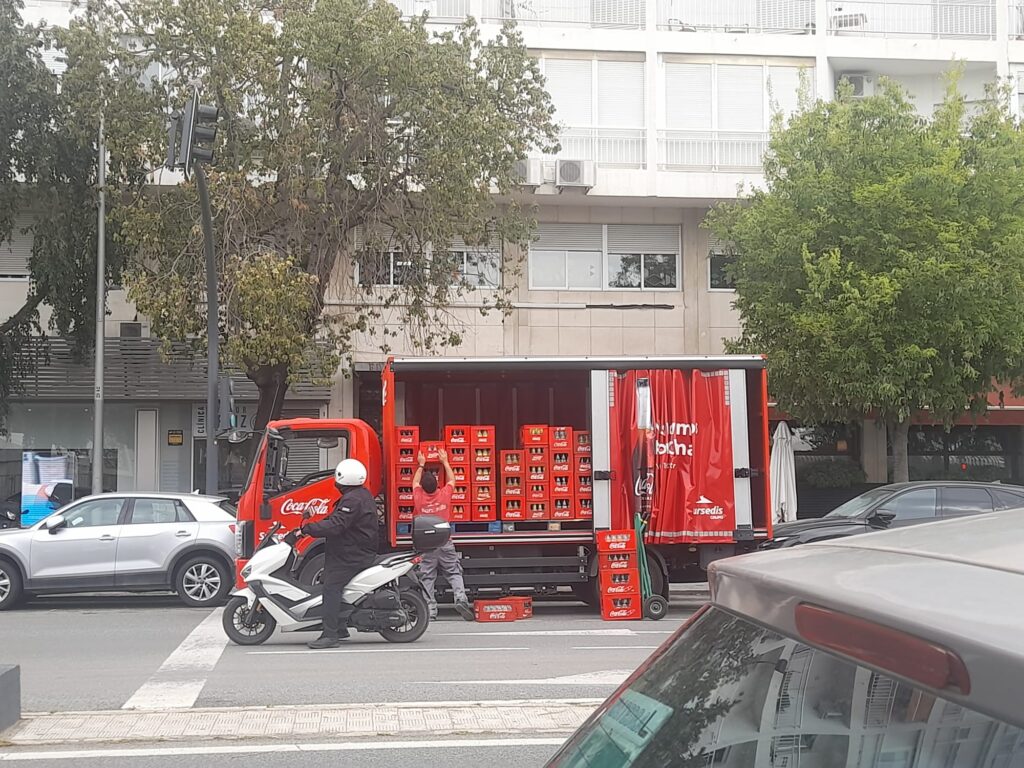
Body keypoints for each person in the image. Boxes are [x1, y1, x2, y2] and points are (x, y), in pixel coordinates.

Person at [301, 458, 379, 649]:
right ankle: (341, 627)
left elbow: (336, 525)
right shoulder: (360, 495)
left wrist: (309, 528)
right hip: (351, 551)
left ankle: (330, 635)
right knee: (326, 580)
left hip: (353, 555)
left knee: (331, 587)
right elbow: (336, 519)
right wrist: (314, 525)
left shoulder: (352, 500)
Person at [413, 448, 474, 621]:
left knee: (427, 576)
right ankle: (460, 598)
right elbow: (453, 480)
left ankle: (430, 610)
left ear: (423, 488)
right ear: (437, 485)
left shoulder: (419, 497)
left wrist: (421, 464)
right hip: (445, 541)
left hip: (427, 545)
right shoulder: (444, 494)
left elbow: (415, 482)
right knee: (454, 571)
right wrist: (445, 461)